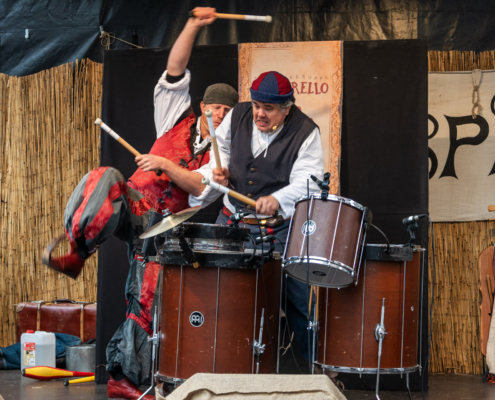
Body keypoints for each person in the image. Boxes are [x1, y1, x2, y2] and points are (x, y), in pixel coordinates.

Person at [42, 8, 237, 400]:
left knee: (145, 298)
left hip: (164, 228)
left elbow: (197, 188)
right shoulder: (173, 119)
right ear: (202, 107)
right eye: (215, 107)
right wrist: (192, 25)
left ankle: (125, 380)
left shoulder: (224, 157)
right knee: (104, 177)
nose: (219, 115)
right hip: (133, 206)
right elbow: (175, 69)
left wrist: (164, 164)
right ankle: (78, 250)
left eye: (227, 111)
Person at [188, 70, 324, 363]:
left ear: (286, 109)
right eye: (256, 106)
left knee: (299, 304)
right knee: (213, 294)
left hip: (279, 230)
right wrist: (220, 168)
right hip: (231, 222)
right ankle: (212, 365)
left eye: (268, 108)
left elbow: (308, 182)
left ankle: (320, 374)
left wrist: (277, 199)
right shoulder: (238, 115)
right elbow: (222, 149)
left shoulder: (306, 131)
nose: (259, 114)